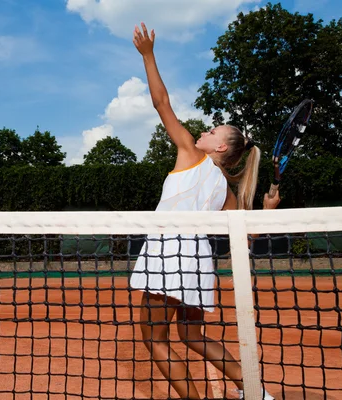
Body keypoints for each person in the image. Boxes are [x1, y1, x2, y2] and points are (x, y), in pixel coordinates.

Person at [129, 22, 279, 399]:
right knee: (192, 335)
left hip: (167, 256)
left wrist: (148, 55)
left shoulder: (191, 155)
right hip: (197, 263)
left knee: (154, 338)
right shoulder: (226, 189)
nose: (206, 131)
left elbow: (161, 104)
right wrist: (266, 209)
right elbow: (248, 236)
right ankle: (255, 392)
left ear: (221, 149)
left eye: (214, 131)